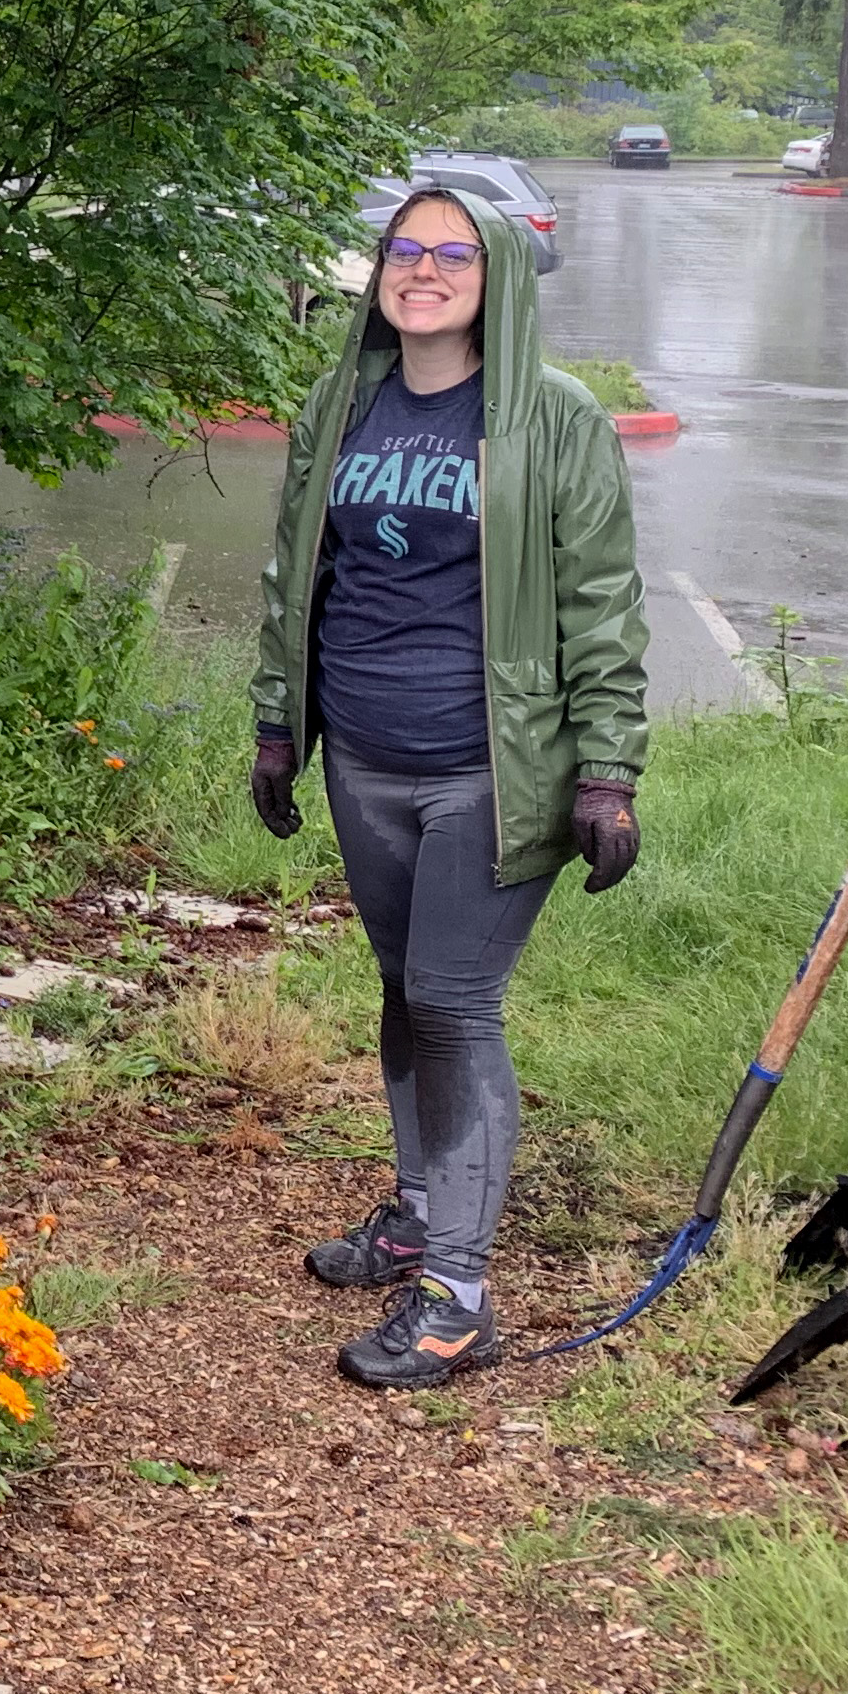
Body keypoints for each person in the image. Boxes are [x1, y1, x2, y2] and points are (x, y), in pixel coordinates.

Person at [251, 184, 650, 1388]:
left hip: (489, 765)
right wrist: (281, 726)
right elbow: (291, 575)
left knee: (454, 1000)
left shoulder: (553, 419)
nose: (422, 271)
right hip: (362, 758)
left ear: (501, 278)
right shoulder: (343, 403)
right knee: (399, 987)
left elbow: (601, 600)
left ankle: (458, 1295)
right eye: (403, 250)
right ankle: (420, 1210)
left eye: (452, 255)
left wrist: (609, 770)